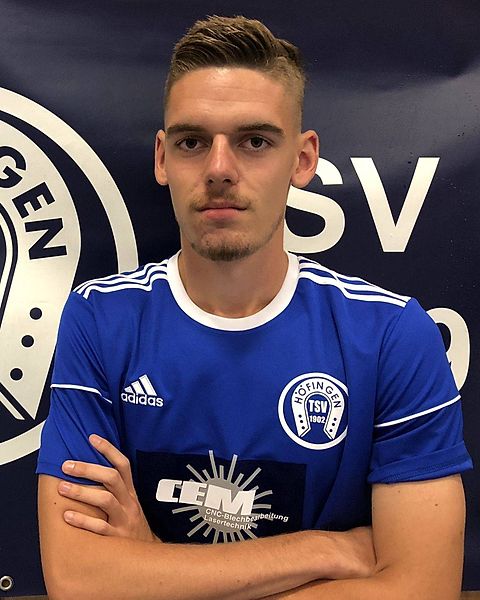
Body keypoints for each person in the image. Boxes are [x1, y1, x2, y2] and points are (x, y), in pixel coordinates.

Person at [37, 15, 472, 600]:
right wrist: (320, 549)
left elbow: (423, 588)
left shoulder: (392, 334)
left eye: (255, 141)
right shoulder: (100, 319)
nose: (219, 168)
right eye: (192, 142)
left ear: (303, 159)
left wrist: (152, 566)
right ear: (163, 159)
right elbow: (77, 579)